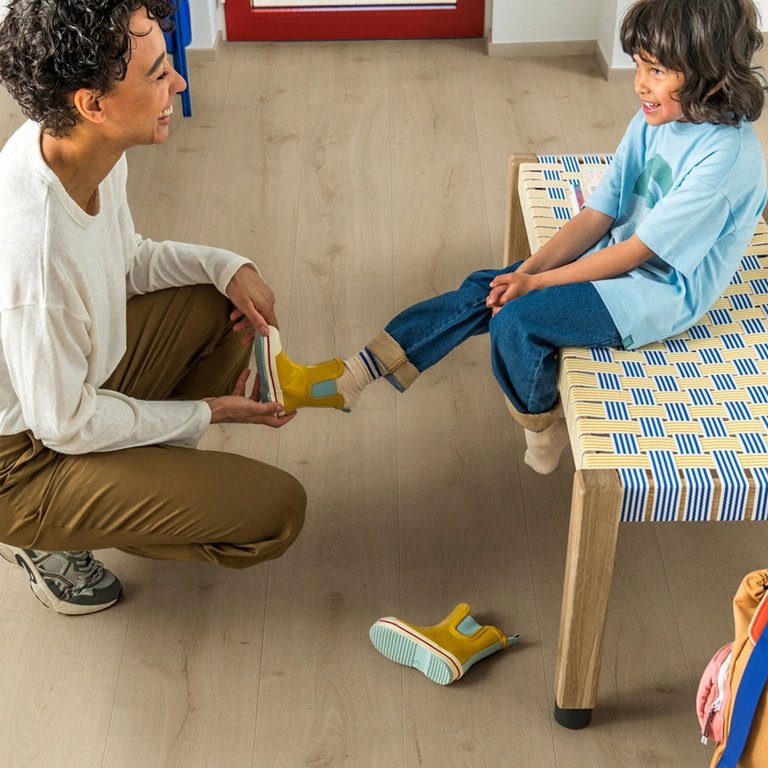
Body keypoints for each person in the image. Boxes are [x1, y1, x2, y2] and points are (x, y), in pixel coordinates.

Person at [254, 0, 768, 476]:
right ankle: (349, 378)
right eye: (638, 65)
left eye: (655, 71)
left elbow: (638, 253)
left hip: (657, 293)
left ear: (711, 73)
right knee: (490, 286)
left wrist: (537, 287)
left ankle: (543, 425)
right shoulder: (654, 118)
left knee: (518, 323)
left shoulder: (725, 161)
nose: (639, 84)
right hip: (617, 255)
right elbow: (600, 212)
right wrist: (526, 271)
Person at [0, 0, 306, 615]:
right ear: (93, 103)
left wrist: (226, 265)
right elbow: (64, 424)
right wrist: (206, 412)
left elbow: (126, 259)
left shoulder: (73, 145)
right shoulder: (36, 255)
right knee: (277, 512)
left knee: (217, 300)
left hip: (66, 393)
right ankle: (44, 536)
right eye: (159, 73)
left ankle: (131, 475)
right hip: (23, 460)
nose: (179, 83)